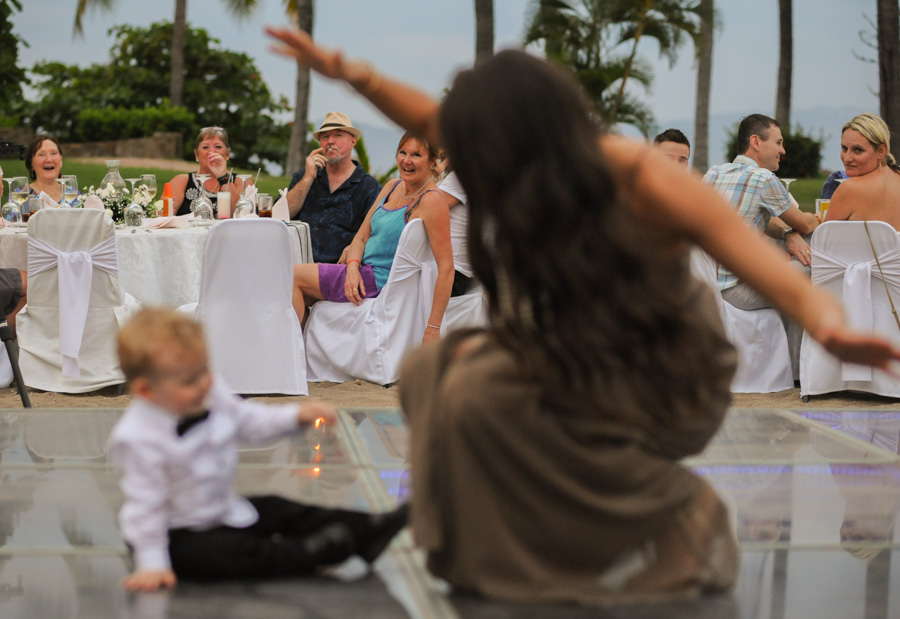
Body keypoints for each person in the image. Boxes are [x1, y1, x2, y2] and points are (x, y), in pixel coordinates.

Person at [266, 27, 900, 603]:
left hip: (659, 345)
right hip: (565, 342)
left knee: (546, 413)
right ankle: (507, 543)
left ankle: (677, 514)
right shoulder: (503, 161)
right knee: (437, 375)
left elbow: (736, 245)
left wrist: (825, 318)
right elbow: (426, 115)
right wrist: (351, 72)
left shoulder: (621, 167)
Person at [109, 308, 409, 592]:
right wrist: (152, 563)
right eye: (189, 380)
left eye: (204, 372)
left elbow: (248, 420)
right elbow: (147, 506)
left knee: (277, 507)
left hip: (221, 507)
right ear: (146, 391)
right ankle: (309, 552)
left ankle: (365, 529)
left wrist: (294, 416)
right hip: (173, 534)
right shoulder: (137, 438)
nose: (203, 385)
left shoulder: (208, 394)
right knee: (222, 554)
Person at [292, 132, 453, 344]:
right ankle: (300, 354)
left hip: (379, 281)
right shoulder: (393, 186)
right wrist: (352, 268)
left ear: (432, 161)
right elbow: (360, 237)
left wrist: (433, 327)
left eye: (416, 155)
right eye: (402, 152)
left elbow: (446, 267)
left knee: (292, 276)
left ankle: (291, 355)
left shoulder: (432, 201)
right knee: (297, 293)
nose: (406, 160)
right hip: (361, 271)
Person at [703, 114, 820, 377]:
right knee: (812, 274)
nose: (783, 150)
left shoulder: (714, 172)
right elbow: (806, 224)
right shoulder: (763, 179)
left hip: (707, 282)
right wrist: (821, 216)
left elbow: (755, 218)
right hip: (735, 289)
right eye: (778, 143)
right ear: (756, 142)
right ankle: (801, 373)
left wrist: (787, 233)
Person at [286, 112, 382, 263]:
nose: (330, 141)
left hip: (340, 270)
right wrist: (308, 178)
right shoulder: (303, 177)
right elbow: (282, 215)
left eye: (338, 135)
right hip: (298, 264)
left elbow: (376, 234)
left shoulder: (369, 187)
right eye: (325, 137)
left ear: (353, 141)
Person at [825, 113, 900, 230]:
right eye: (844, 148)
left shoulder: (850, 188)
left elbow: (823, 243)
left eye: (858, 150)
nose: (847, 158)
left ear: (881, 151)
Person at [169, 127, 244, 218]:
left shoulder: (241, 181)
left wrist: (222, 175)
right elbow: (162, 217)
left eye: (218, 147)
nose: (211, 152)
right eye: (205, 147)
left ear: (228, 154)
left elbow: (239, 216)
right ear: (196, 154)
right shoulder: (181, 181)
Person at [24, 134, 65, 202]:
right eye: (41, 155)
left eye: (53, 153)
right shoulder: (21, 195)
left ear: (61, 161)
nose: (49, 159)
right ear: (31, 164)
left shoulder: (74, 195)